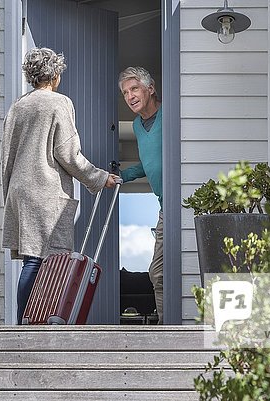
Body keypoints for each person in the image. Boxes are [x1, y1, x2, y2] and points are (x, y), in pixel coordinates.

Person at [2, 47, 119, 324]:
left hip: (20, 191)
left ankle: (31, 321)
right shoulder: (59, 103)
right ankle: (26, 325)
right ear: (54, 75)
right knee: (40, 260)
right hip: (44, 190)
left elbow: (6, 153)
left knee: (33, 257)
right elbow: (68, 154)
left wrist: (9, 191)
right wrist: (100, 177)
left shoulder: (18, 106)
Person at [118, 66, 164, 324]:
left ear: (151, 88)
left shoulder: (169, 114)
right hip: (163, 207)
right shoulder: (137, 125)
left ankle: (167, 330)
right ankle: (165, 328)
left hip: (182, 202)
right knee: (157, 273)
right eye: (125, 92)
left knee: (158, 272)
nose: (130, 96)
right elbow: (148, 164)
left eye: (134, 89)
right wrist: (120, 176)